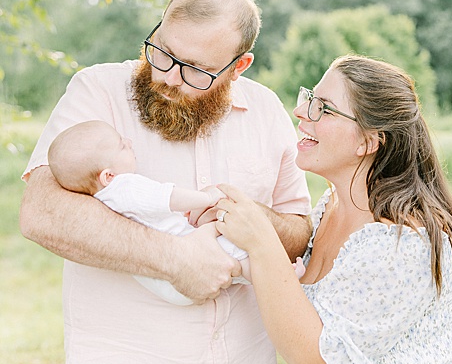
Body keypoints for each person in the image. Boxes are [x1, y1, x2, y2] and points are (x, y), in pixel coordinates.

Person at [20, 0, 312, 364]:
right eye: (163, 51)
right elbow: (42, 213)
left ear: (239, 67)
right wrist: (174, 259)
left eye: (195, 70)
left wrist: (251, 221)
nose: (167, 77)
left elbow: (299, 234)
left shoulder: (268, 111)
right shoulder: (97, 92)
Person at [213, 55, 452, 364]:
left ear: (368, 140)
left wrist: (262, 242)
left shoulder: (399, 244)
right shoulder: (333, 205)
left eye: (324, 108)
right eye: (310, 97)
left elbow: (311, 358)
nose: (301, 111)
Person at [47, 120, 308, 305]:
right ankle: (282, 277)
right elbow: (167, 197)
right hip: (184, 261)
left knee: (236, 267)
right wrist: (206, 197)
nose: (128, 142)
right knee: (236, 250)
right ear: (108, 175)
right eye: (121, 146)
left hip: (165, 286)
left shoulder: (103, 199)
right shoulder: (124, 185)